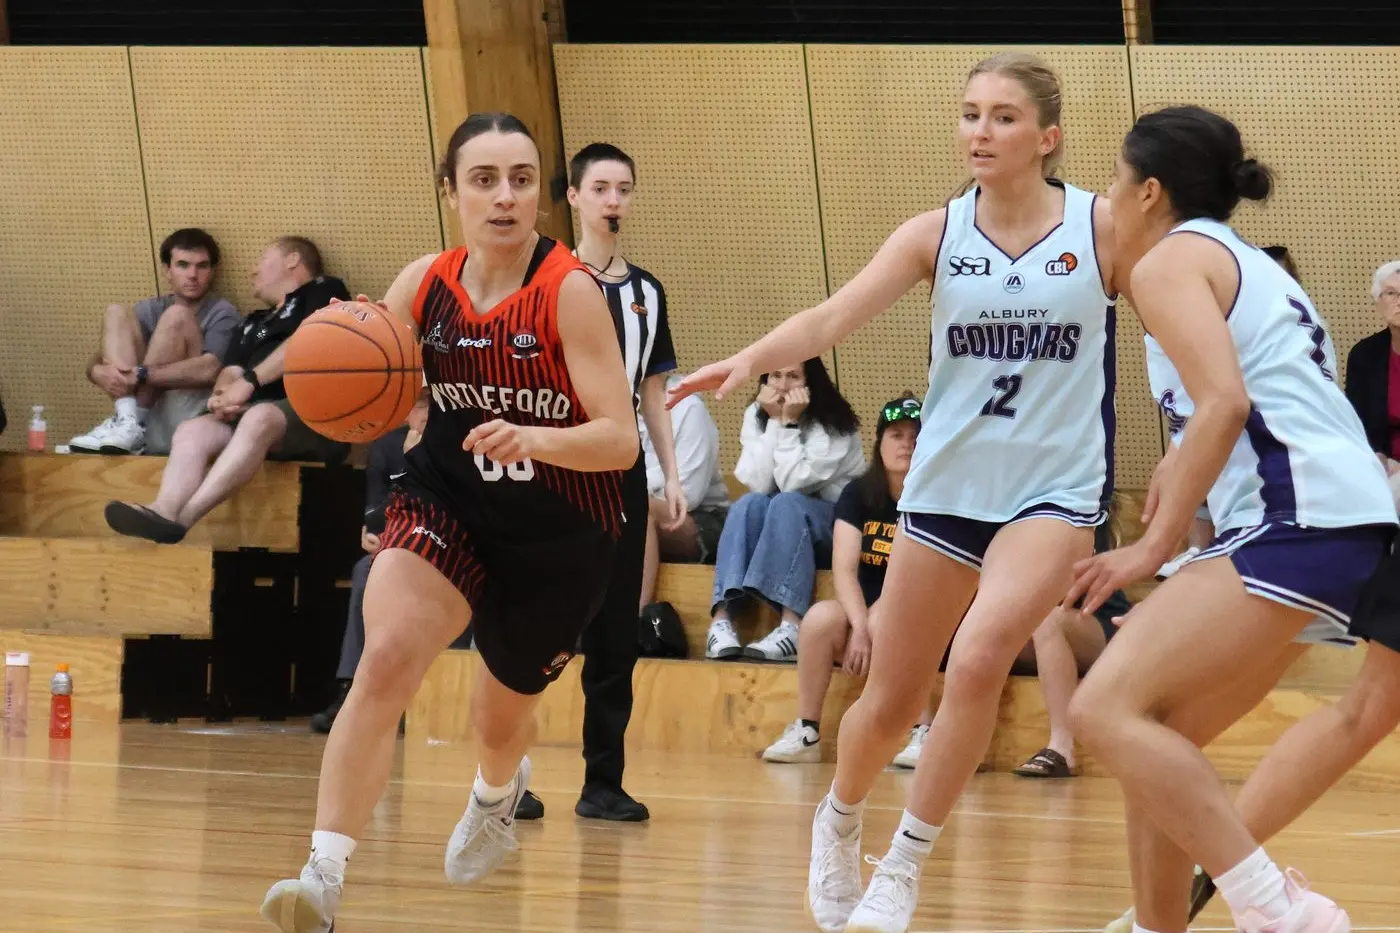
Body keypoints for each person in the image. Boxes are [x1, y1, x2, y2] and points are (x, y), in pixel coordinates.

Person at [670, 52, 1117, 933]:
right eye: (970, 114)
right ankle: (837, 820)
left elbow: (1181, 300)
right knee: (889, 702)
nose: (979, 132)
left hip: (1054, 493)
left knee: (982, 656)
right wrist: (753, 355)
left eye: (1001, 117)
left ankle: (903, 864)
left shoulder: (1099, 229)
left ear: (1047, 137)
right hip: (950, 488)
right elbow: (832, 317)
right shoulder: (936, 233)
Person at [258, 112, 638, 933]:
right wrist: (364, 369)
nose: (506, 197)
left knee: (495, 723)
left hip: (560, 529)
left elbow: (620, 439)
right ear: (451, 190)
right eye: (484, 179)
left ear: (543, 191)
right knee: (387, 656)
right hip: (448, 500)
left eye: (522, 179)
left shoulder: (569, 291)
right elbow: (380, 404)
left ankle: (495, 797)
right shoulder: (423, 284)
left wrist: (536, 434)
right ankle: (321, 875)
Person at [1063, 105, 1397, 933]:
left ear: (1148, 191)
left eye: (1111, 178)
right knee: (1157, 735)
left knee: (1100, 708)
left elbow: (1224, 405)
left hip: (1300, 518)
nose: (1104, 196)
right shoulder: (1236, 261)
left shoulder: (1171, 262)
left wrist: (1151, 546)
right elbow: (1205, 427)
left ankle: (1274, 905)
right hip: (1337, 518)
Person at [510, 142, 687, 824]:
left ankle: (603, 782)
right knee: (532, 629)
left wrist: (670, 474)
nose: (615, 200)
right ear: (574, 197)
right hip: (552, 468)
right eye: (602, 187)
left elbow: (653, 394)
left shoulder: (647, 291)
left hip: (620, 472)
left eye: (625, 188)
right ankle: (505, 776)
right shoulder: (544, 278)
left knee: (616, 633)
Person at [104, 237, 349, 543]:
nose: (252, 270)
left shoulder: (324, 290)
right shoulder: (254, 321)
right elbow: (229, 371)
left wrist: (250, 383)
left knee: (259, 417)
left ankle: (186, 517)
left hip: (312, 415)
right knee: (193, 430)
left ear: (292, 260)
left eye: (261, 258)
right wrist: (221, 399)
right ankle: (163, 510)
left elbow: (313, 336)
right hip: (253, 415)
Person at [760, 395, 934, 768]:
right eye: (896, 435)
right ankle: (807, 729)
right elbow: (843, 568)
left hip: (920, 604)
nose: (906, 444)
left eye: (915, 437)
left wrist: (872, 620)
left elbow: (917, 574)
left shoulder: (934, 496)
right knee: (821, 618)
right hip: (866, 610)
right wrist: (858, 625)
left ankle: (923, 729)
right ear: (879, 442)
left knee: (885, 618)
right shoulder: (859, 494)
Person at [705, 358, 865, 662]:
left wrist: (788, 423)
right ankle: (722, 621)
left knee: (787, 503)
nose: (781, 385)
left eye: (793, 376)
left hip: (837, 527)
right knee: (747, 504)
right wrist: (776, 422)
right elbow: (759, 482)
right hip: (782, 525)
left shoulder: (835, 423)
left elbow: (793, 484)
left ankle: (793, 625)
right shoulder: (757, 414)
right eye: (775, 375)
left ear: (810, 384)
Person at [71, 228, 240, 455]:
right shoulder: (149, 308)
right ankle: (128, 420)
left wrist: (140, 374)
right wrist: (95, 371)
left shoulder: (224, 313)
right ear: (167, 271)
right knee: (116, 312)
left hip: (187, 413)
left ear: (212, 271)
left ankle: (134, 421)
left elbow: (209, 370)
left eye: (202, 266)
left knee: (177, 315)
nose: (192, 274)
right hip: (147, 414)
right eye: (183, 265)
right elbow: (104, 352)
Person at [1012, 516, 1131, 778]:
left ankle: (1061, 747)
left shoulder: (1081, 511)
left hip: (1100, 625)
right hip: (1034, 628)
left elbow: (1061, 587)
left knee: (1047, 619)